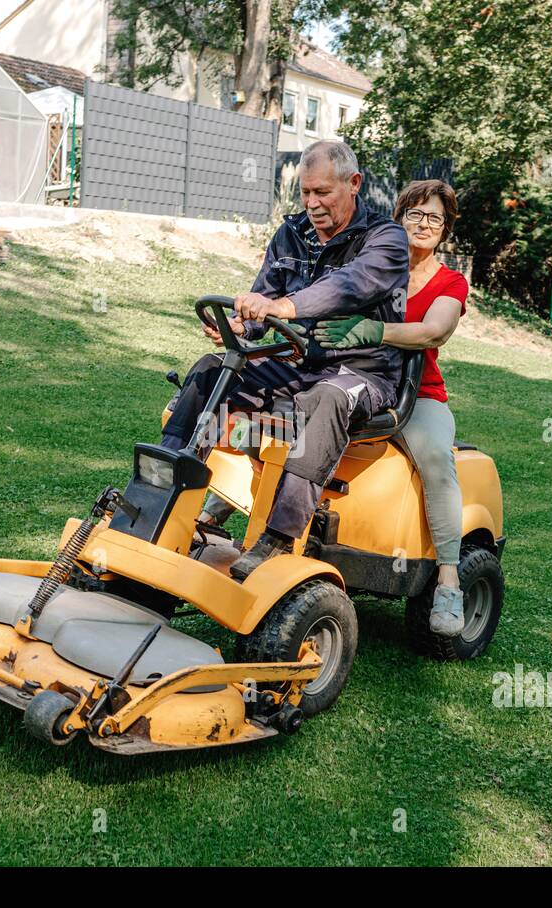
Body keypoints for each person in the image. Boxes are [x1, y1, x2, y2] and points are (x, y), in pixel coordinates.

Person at [161, 140, 409, 580]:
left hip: (361, 372)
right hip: (298, 364)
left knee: (327, 399)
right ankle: (163, 489)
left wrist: (287, 308)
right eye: (305, 193)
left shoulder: (385, 239)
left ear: (353, 184)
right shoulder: (290, 233)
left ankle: (277, 539)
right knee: (208, 370)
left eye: (322, 193)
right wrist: (241, 326)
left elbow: (350, 286)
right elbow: (264, 302)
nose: (312, 204)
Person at [313, 180, 470, 636]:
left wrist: (372, 331)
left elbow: (432, 332)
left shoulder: (450, 282)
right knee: (301, 417)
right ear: (399, 219)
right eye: (415, 215)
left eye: (434, 218)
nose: (424, 225)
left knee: (438, 460)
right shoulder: (380, 265)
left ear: (445, 230)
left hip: (418, 395)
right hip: (360, 379)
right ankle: (227, 514)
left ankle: (448, 579)